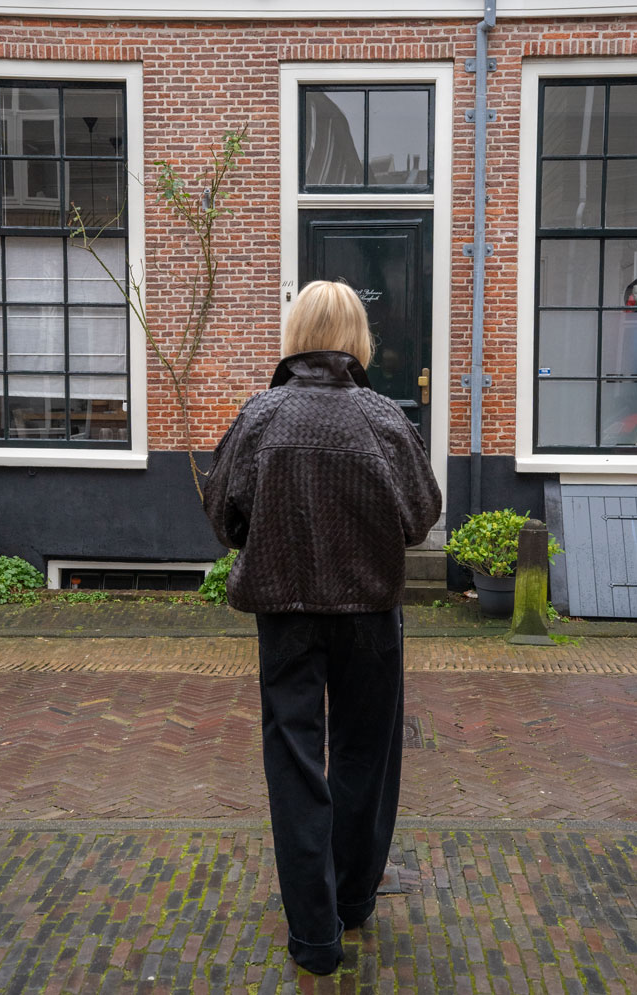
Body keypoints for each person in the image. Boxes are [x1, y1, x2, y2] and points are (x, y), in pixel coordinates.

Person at [203, 280, 441, 975]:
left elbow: (222, 515)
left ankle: (314, 935)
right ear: (356, 340)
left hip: (285, 613)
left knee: (295, 761)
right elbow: (421, 514)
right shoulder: (384, 417)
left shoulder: (260, 414)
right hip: (369, 612)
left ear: (295, 334)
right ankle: (355, 897)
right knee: (366, 753)